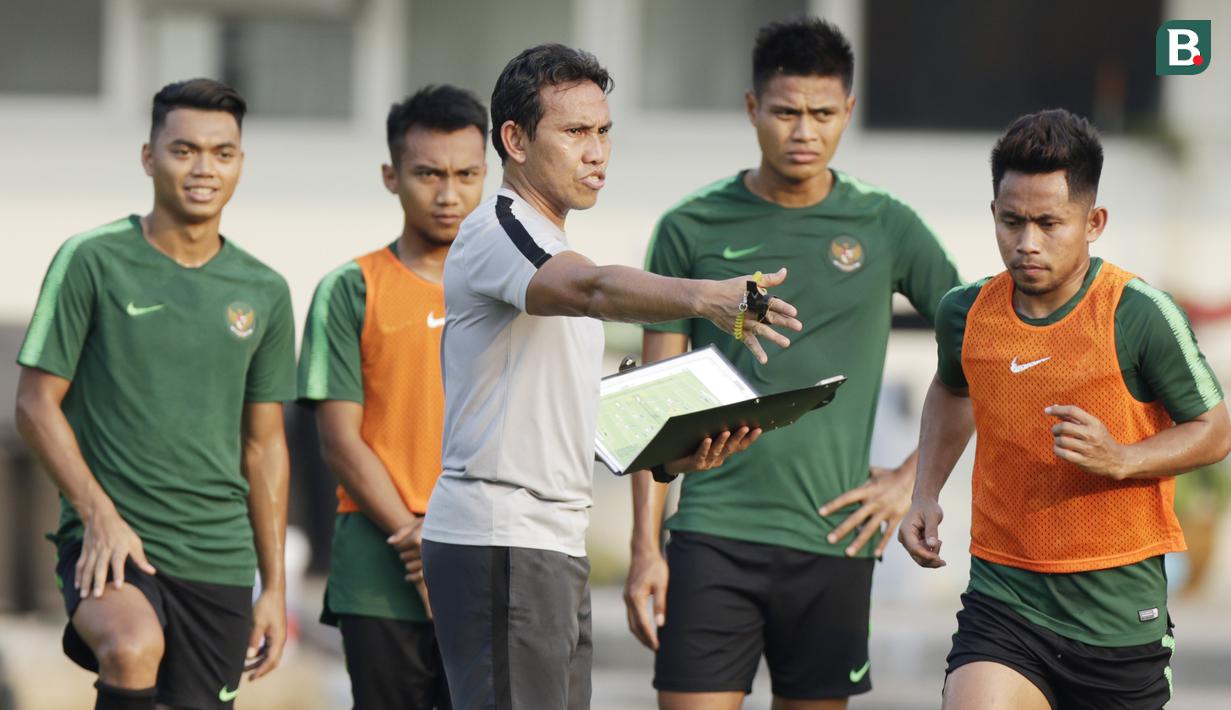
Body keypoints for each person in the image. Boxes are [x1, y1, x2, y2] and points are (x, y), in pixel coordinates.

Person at [419, 44, 803, 710]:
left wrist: (670, 452)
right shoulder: (502, 230)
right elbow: (596, 290)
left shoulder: (553, 249)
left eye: (603, 131)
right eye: (573, 132)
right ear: (513, 140)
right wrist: (705, 297)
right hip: (503, 538)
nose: (596, 151)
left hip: (549, 544)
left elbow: (558, 416)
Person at [624, 18, 961, 709]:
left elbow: (981, 353)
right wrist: (643, 548)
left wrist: (911, 479)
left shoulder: (885, 224)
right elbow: (651, 403)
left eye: (821, 113)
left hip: (832, 540)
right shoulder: (689, 227)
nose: (803, 131)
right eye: (784, 112)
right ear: (752, 109)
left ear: (848, 112)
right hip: (710, 532)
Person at [899, 108, 1231, 709]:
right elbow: (953, 388)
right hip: (1005, 604)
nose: (1027, 243)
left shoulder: (1138, 313)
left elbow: (1214, 429)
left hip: (1119, 620)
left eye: (1050, 223)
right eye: (1012, 221)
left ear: (1093, 221)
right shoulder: (965, 312)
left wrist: (1122, 457)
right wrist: (924, 491)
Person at [14, 78, 296, 710]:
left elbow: (265, 447)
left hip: (218, 559)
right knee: (131, 646)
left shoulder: (266, 290)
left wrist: (273, 587)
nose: (204, 169)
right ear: (149, 157)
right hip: (114, 543)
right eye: (184, 150)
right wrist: (97, 514)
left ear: (240, 164)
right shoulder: (92, 260)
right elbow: (34, 404)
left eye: (222, 153)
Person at [297, 84, 488, 709]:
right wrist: (413, 539)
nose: (447, 194)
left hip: (487, 548)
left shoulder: (514, 291)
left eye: (466, 174)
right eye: (427, 173)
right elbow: (338, 439)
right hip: (379, 569)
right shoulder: (351, 288)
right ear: (391, 176)